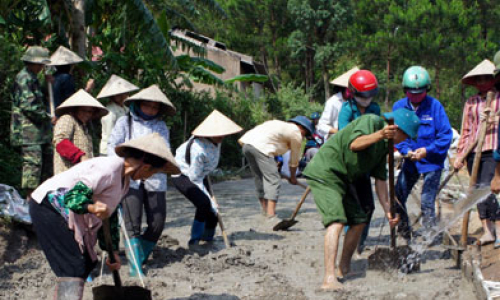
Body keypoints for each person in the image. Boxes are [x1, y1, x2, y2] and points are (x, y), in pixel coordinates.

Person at [29, 133, 179, 300]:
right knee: (74, 265)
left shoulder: (125, 181)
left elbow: (110, 215)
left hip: (63, 210)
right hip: (47, 206)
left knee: (86, 263)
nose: (149, 177)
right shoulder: (107, 168)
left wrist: (112, 250)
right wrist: (92, 207)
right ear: (145, 167)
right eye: (153, 173)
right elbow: (72, 197)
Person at [303, 109, 419, 291]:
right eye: (405, 136)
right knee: (336, 221)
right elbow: (354, 145)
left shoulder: (384, 148)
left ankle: (343, 269)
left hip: (344, 178)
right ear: (396, 129)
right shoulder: (371, 121)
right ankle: (329, 278)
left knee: (359, 221)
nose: (404, 141)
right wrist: (380, 134)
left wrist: (389, 209)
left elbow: (381, 181)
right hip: (326, 172)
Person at [108, 84, 176, 277]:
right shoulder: (124, 122)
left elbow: (164, 151)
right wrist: (121, 167)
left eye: (155, 108)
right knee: (132, 222)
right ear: (138, 104)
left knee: (157, 223)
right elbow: (112, 146)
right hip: (130, 178)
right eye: (147, 106)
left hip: (155, 176)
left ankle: (139, 254)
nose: (151, 110)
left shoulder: (161, 127)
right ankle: (134, 267)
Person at [393, 66, 452, 240]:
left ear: (427, 90)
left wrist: (427, 151)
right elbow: (398, 136)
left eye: (420, 92)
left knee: (427, 201)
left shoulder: (435, 106)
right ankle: (404, 231)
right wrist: (407, 151)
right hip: (411, 161)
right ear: (405, 91)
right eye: (412, 93)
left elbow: (445, 136)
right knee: (398, 196)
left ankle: (429, 236)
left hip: (432, 162)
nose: (417, 96)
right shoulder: (399, 107)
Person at [172, 110, 243, 246]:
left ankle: (207, 238)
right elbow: (194, 178)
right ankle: (194, 241)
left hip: (200, 173)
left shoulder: (216, 141)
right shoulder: (198, 149)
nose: (221, 136)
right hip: (184, 175)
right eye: (217, 134)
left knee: (213, 212)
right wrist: (210, 200)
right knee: (204, 204)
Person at [455, 59, 500, 246]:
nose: (482, 82)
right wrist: (459, 156)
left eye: (486, 79)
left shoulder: (498, 98)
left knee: (489, 188)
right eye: (479, 80)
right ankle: (486, 229)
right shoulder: (471, 102)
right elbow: (466, 129)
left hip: (493, 148)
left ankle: (498, 228)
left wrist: (494, 118)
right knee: (475, 190)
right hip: (474, 151)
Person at [338, 70, 381, 253]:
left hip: (364, 165)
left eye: (370, 96)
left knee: (368, 207)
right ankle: (350, 243)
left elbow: (379, 131)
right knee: (352, 208)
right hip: (348, 165)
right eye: (364, 96)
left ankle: (360, 242)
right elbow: (345, 137)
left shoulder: (375, 109)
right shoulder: (347, 110)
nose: (367, 99)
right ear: (353, 93)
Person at [239, 116, 314, 218]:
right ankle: (271, 215)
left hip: (247, 145)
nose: (303, 137)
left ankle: (265, 211)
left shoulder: (277, 124)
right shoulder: (296, 132)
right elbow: (294, 161)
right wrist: (292, 177)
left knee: (260, 178)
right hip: (261, 148)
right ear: (301, 127)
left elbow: (269, 141)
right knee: (273, 179)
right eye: (305, 133)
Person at [10, 46, 52, 197]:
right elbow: (29, 106)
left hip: (39, 133)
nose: (41, 67)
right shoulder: (24, 78)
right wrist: (48, 117)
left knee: (44, 167)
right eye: (40, 64)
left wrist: (47, 85)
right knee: (32, 167)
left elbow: (39, 100)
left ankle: (40, 202)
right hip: (28, 132)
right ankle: (30, 202)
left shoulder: (33, 78)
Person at [53, 90, 108, 174]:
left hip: (81, 175)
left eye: (89, 111)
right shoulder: (67, 119)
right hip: (67, 174)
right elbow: (60, 141)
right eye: (83, 110)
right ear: (75, 109)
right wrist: (80, 156)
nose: (86, 114)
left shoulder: (83, 126)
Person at [97, 74, 139, 156]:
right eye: (119, 94)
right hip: (109, 150)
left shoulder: (125, 109)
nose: (123, 96)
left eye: (124, 93)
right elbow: (110, 134)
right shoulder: (110, 111)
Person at [49, 46, 94, 114]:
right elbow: (72, 100)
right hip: (61, 114)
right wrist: (87, 89)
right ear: (70, 65)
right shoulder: (66, 78)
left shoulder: (53, 77)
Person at [317, 66, 359, 139]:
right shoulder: (333, 102)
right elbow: (321, 126)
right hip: (336, 140)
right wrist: (338, 131)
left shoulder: (357, 101)